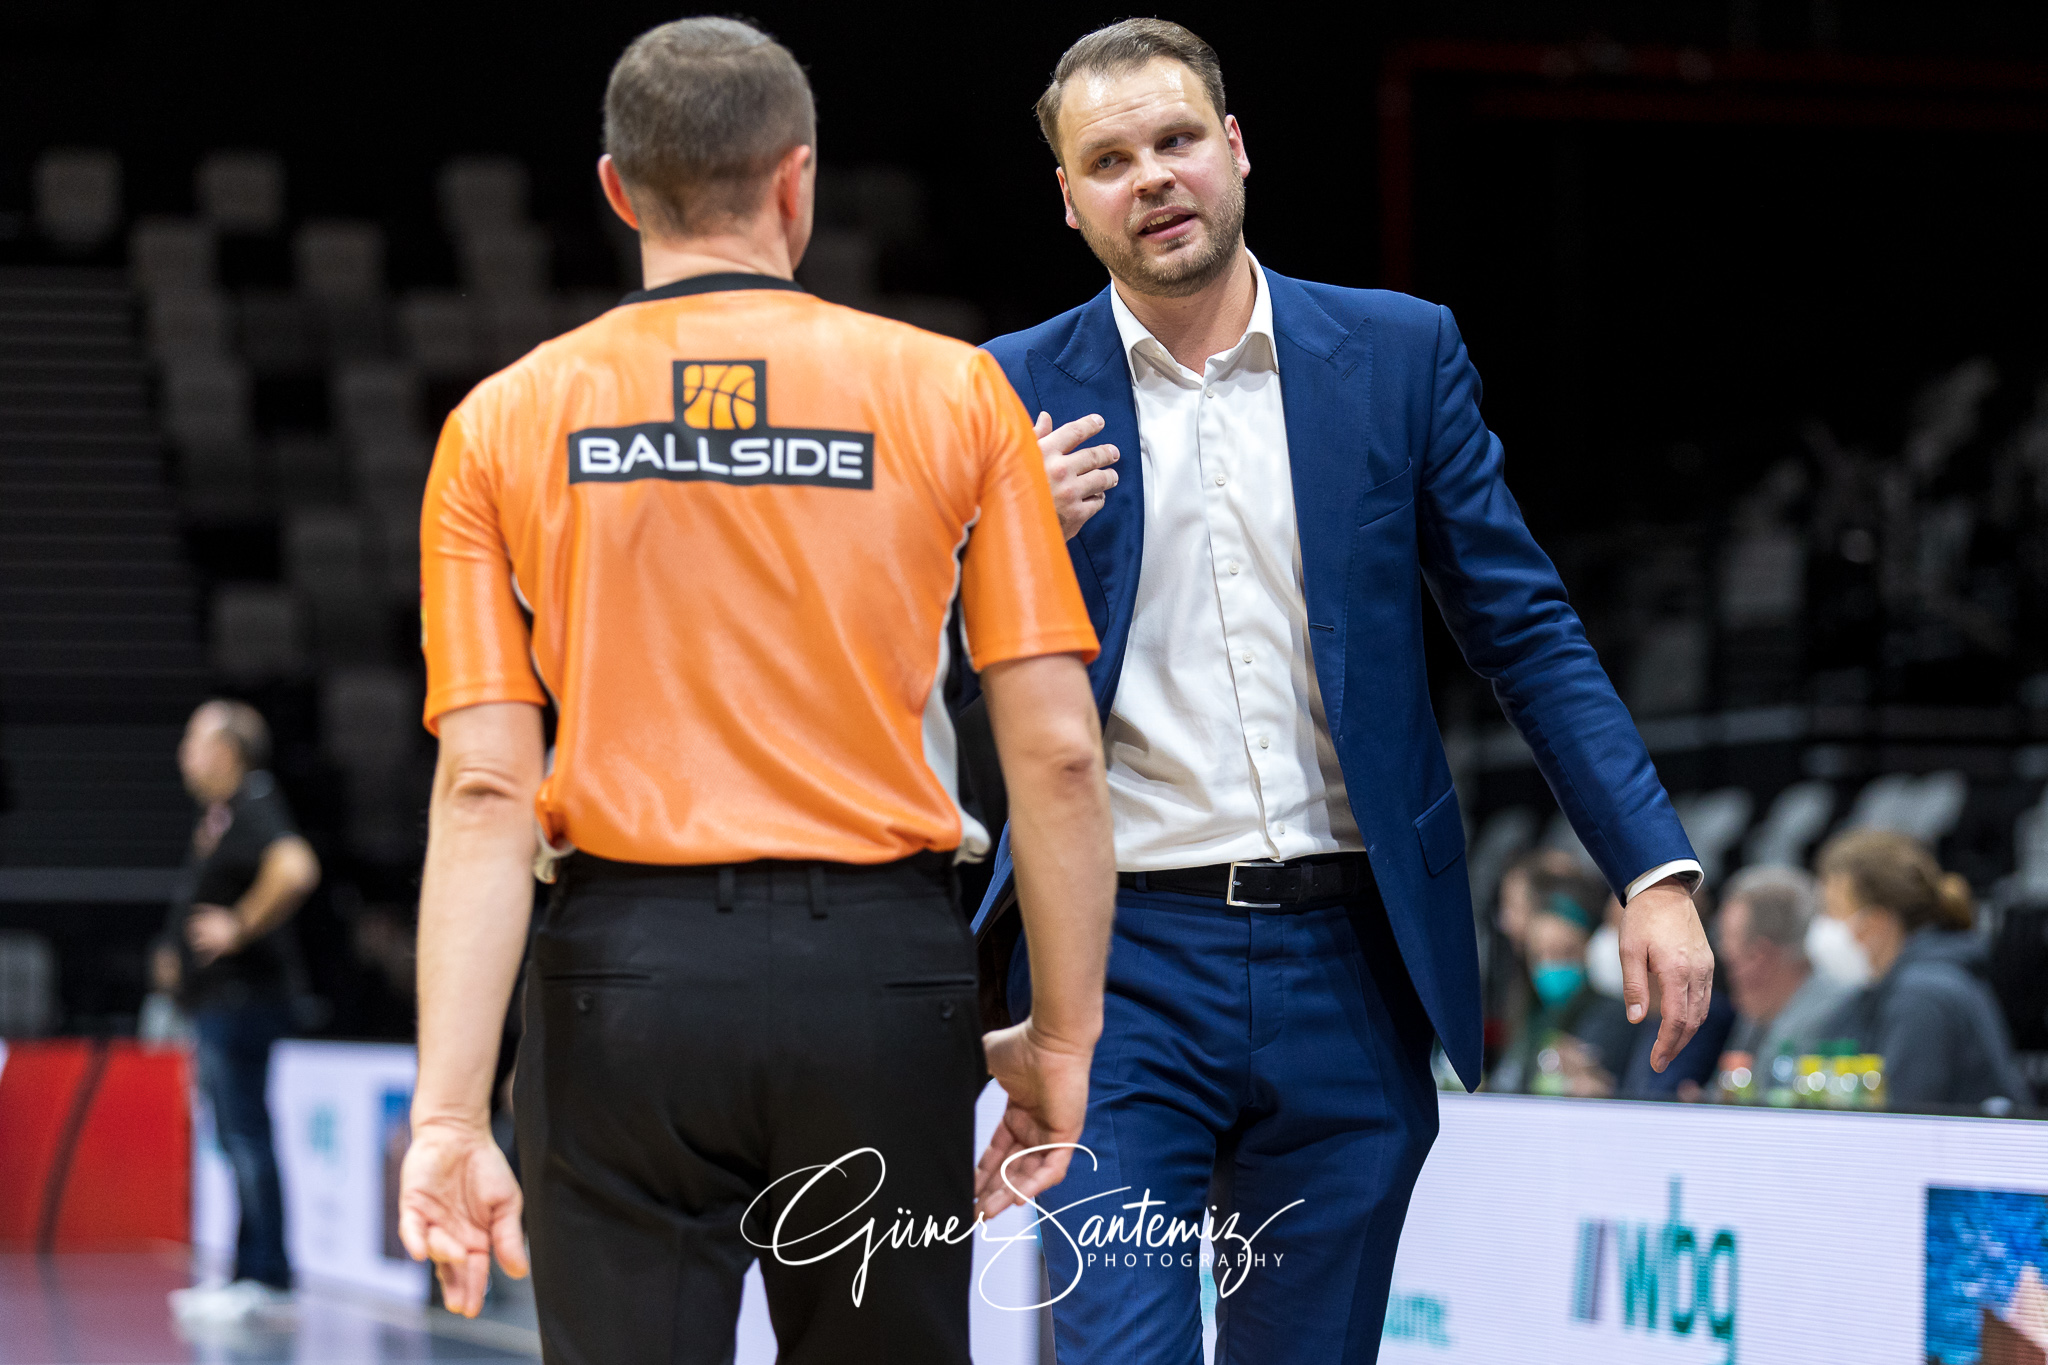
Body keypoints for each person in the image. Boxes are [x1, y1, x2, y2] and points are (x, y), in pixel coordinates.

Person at [969, 20, 1715, 1362]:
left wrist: (1649, 868)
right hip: (1114, 969)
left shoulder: (1397, 353)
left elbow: (1525, 628)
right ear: (1068, 200)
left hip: (1351, 967)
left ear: (1237, 149)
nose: (1155, 175)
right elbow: (931, 690)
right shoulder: (999, 395)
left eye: (1179, 139)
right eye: (1112, 157)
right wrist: (999, 559)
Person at [394, 19, 1116, 1364]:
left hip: (621, 985)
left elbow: (487, 786)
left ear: (617, 190)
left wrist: (447, 1116)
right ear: (798, 181)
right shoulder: (958, 393)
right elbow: (1060, 757)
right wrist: (1061, 1039)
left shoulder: (498, 422)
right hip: (883, 980)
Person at [163, 700, 321, 1325]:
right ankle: (247, 1272)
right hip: (219, 1002)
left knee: (247, 1137)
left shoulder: (255, 801)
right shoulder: (225, 816)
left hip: (242, 1003)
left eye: (194, 739)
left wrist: (238, 926)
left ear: (228, 751)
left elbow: (296, 867)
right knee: (236, 1139)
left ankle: (268, 1274)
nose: (183, 753)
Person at [1815, 829, 2028, 1109]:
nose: (1825, 924)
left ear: (1878, 922)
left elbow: (1899, 1122)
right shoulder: (1882, 991)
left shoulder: (1923, 996)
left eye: (1834, 910)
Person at [1488, 868, 1636, 1096]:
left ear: (1590, 948)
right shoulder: (1528, 1013)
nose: (1551, 966)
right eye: (1540, 955)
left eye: (1565, 952)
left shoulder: (1613, 1017)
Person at [1714, 866, 1851, 1065]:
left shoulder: (1834, 1017)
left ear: (1760, 956)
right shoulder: (1755, 1015)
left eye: (1728, 940)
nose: (1721, 952)